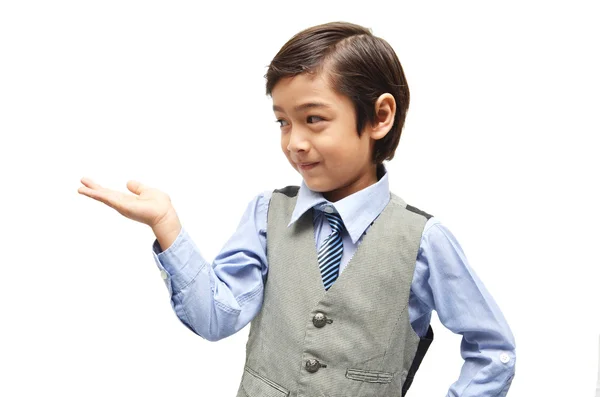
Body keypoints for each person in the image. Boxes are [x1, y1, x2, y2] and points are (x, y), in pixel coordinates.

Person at [78, 21, 516, 397]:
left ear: (380, 117)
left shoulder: (423, 240)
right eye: (283, 122)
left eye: (313, 119)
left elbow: (492, 349)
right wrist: (166, 225)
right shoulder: (266, 214)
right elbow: (216, 317)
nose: (294, 143)